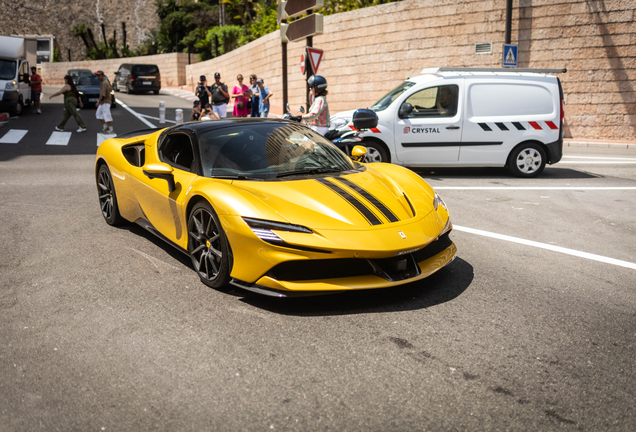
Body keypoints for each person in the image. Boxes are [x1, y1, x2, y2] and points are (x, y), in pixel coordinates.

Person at [95, 70, 114, 134]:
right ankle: (105, 127)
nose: (98, 77)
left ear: (103, 75)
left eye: (99, 75)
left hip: (106, 102)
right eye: (97, 75)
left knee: (107, 115)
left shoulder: (104, 83)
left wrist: (98, 101)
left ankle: (111, 129)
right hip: (103, 102)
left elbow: (102, 94)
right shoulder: (104, 82)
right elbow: (110, 89)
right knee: (98, 114)